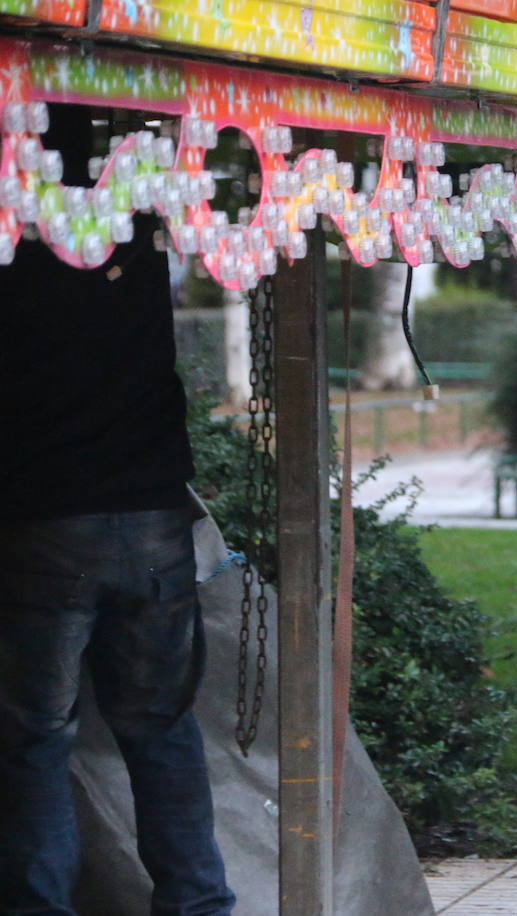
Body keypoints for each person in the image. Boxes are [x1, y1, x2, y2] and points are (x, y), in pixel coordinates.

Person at [0, 105, 235, 915]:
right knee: (161, 728)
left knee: (37, 738)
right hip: (151, 521)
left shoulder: (11, 244)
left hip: (42, 521)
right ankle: (198, 902)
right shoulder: (133, 238)